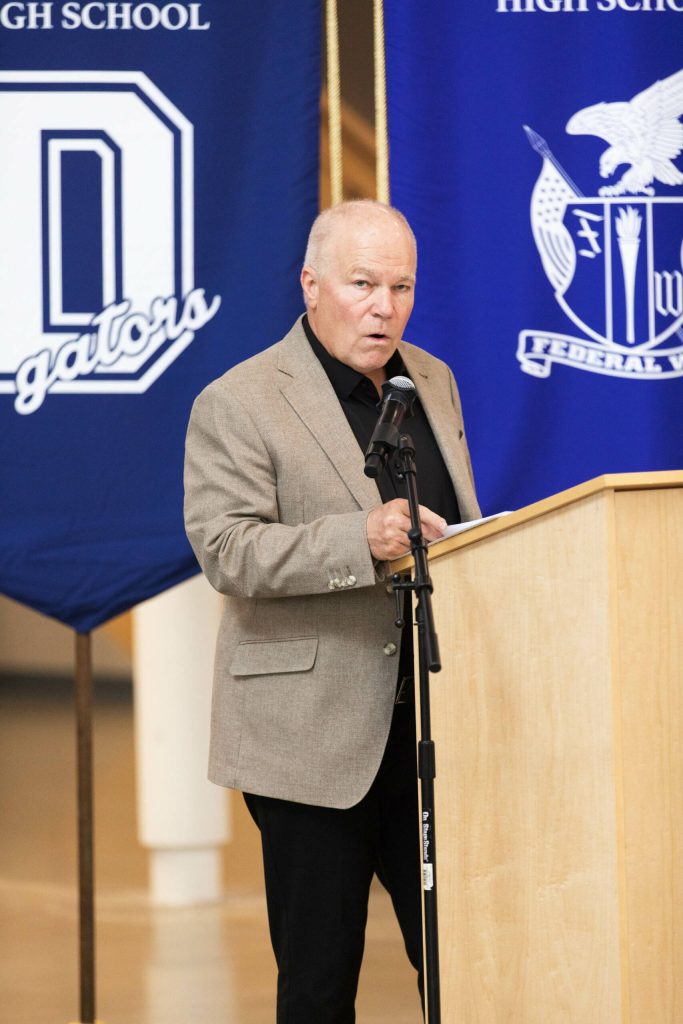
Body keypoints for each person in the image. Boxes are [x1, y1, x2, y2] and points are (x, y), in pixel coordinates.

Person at [184, 200, 480, 1023]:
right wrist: (360, 539)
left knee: (466, 963)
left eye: (401, 287)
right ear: (311, 285)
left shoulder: (431, 380)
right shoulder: (239, 400)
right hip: (308, 740)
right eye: (362, 285)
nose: (385, 307)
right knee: (318, 988)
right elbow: (227, 550)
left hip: (431, 731)